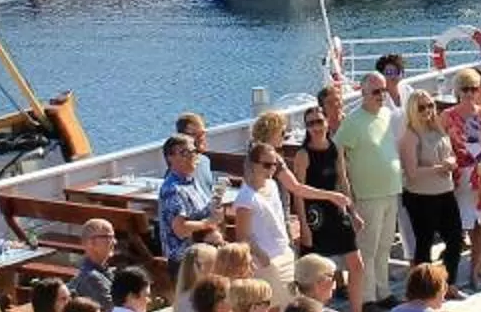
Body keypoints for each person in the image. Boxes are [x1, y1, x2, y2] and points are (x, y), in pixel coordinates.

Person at [337, 72, 405, 312]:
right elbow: (339, 157)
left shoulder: (387, 115)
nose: (381, 95)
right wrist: (348, 196)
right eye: (375, 91)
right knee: (368, 248)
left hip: (390, 190)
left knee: (385, 245)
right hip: (367, 194)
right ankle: (366, 299)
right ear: (363, 93)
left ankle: (383, 291)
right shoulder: (353, 121)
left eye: (383, 90)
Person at [292, 101, 363, 300]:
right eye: (310, 124)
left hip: (337, 208)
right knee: (315, 271)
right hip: (315, 214)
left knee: (356, 264)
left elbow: (343, 180)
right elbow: (298, 192)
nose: (315, 127)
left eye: (319, 121)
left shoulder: (335, 148)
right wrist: (303, 226)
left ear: (327, 122)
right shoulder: (303, 154)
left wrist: (353, 212)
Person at [396, 91, 466, 287]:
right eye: (421, 107)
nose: (427, 110)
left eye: (430, 106)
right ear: (412, 110)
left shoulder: (437, 130)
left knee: (455, 239)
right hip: (421, 197)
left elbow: (451, 153)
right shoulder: (410, 135)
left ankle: (448, 283)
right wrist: (440, 168)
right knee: (424, 244)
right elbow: (411, 172)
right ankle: (425, 289)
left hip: (445, 192)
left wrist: (451, 162)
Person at [446, 71, 481, 271]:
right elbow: (439, 145)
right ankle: (456, 272)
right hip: (459, 176)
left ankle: (476, 270)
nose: (470, 93)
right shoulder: (447, 116)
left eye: (474, 88)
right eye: (465, 89)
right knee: (460, 225)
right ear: (458, 91)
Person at [233, 144, 302, 298]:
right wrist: (261, 255)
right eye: (266, 165)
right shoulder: (246, 198)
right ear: (253, 164)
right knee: (276, 305)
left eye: (274, 165)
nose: (271, 169)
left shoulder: (272, 185)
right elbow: (242, 236)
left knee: (289, 302)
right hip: (265, 260)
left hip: (284, 252)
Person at [155, 134, 219, 265]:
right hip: (186, 262)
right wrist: (209, 222)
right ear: (170, 158)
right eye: (185, 152)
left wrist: (214, 206)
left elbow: (198, 213)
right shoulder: (173, 189)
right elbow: (181, 229)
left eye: (194, 151)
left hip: (203, 252)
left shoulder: (192, 181)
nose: (192, 155)